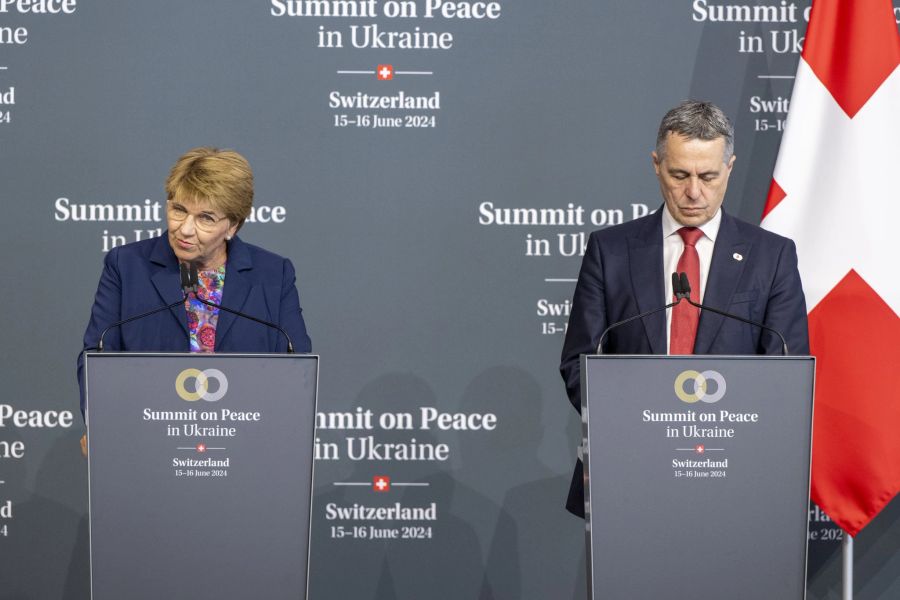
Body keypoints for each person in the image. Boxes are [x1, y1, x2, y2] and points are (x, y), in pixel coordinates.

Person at [559, 100, 809, 517]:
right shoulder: (611, 250)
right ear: (656, 165)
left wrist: (716, 438)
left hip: (736, 475)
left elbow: (787, 372)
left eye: (708, 176)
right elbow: (578, 364)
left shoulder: (772, 256)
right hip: (630, 471)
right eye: (680, 175)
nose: (694, 191)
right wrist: (649, 427)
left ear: (729, 168)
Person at [77, 147, 312, 417]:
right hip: (148, 432)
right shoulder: (127, 266)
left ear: (232, 226)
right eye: (179, 210)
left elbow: (297, 368)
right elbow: (97, 357)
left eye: (205, 218)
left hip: (245, 438)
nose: (185, 229)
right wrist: (100, 423)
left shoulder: (273, 274)